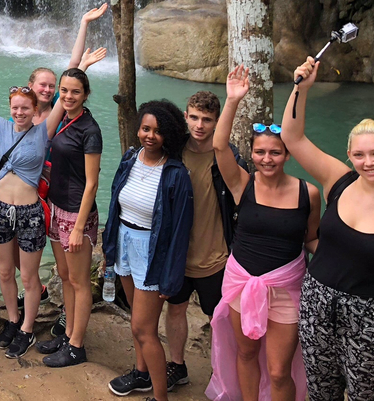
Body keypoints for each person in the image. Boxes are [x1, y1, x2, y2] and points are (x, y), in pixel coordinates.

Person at [281, 56, 374, 401]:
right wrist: (301, 89)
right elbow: (292, 135)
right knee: (321, 392)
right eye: (360, 155)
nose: (369, 162)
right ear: (349, 155)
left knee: (368, 396)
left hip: (373, 318)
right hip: (318, 305)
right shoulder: (339, 182)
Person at [206, 66, 321, 401]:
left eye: (275, 152)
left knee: (278, 370)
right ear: (252, 154)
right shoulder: (244, 184)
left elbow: (311, 239)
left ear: (287, 154)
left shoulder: (308, 193)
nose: (267, 159)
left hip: (286, 288)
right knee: (245, 354)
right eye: (260, 152)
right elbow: (219, 146)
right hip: (242, 282)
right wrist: (232, 101)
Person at [106, 100, 193, 401]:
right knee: (136, 320)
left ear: (169, 134)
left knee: (145, 330)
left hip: (152, 252)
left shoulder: (176, 174)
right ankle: (141, 372)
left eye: (158, 131)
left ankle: (160, 397)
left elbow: (180, 231)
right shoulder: (131, 158)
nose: (150, 136)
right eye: (145, 129)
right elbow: (115, 204)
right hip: (125, 243)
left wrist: (170, 277)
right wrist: (109, 247)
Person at [165, 89, 246, 388]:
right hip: (179, 255)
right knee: (175, 309)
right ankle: (177, 365)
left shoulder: (228, 156)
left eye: (207, 120)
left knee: (219, 318)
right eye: (195, 118)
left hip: (216, 256)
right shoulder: (172, 152)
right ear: (185, 117)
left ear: (216, 122)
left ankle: (221, 371)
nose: (200, 125)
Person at [36, 64, 105, 368]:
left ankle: (77, 346)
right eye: (64, 90)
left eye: (75, 92)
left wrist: (79, 228)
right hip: (57, 206)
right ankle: (67, 334)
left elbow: (92, 182)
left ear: (86, 95)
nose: (68, 95)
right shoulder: (63, 117)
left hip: (77, 212)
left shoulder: (89, 131)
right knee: (65, 277)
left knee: (79, 282)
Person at [0, 86, 50, 358]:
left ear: (35, 110)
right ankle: (12, 320)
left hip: (29, 213)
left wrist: (81, 65)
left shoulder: (44, 130)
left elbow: (64, 94)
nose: (19, 112)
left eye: (25, 108)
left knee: (29, 277)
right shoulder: (0, 124)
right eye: (15, 108)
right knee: (6, 271)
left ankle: (27, 329)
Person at [29, 4, 107, 125]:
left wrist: (84, 23)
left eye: (51, 86)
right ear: (30, 86)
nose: (47, 90)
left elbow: (74, 63)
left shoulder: (58, 104)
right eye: (43, 85)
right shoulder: (22, 112)